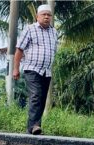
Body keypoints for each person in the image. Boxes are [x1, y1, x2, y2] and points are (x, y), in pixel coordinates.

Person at [13, 4, 58, 135]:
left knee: (42, 99)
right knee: (36, 95)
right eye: (43, 14)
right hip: (32, 69)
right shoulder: (30, 29)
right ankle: (34, 126)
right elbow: (19, 49)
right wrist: (16, 69)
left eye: (49, 15)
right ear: (37, 16)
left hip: (47, 70)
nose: (46, 17)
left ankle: (33, 128)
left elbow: (53, 51)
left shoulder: (54, 32)